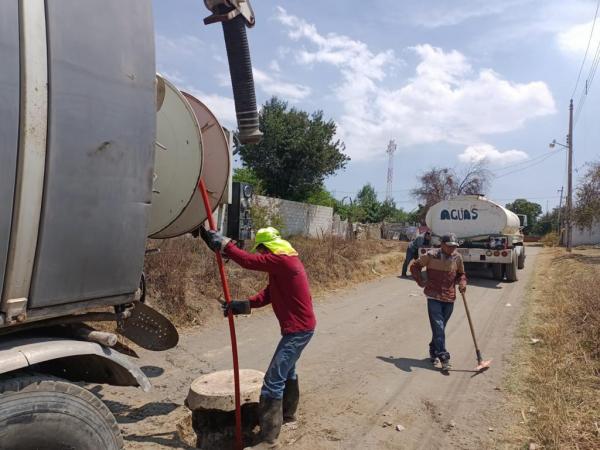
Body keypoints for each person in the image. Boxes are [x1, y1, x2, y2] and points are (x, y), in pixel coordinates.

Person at [200, 226, 316, 449]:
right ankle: (287, 415)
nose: (262, 255)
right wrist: (242, 305)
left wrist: (225, 244)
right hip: (300, 328)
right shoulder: (283, 264)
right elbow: (268, 295)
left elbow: (248, 262)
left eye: (262, 250)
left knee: (273, 381)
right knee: (288, 370)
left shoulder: (283, 260)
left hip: (298, 330)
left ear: (266, 247)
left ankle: (269, 439)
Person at [410, 233, 467, 371]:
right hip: (433, 296)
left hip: (449, 297)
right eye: (449, 246)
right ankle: (444, 357)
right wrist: (421, 281)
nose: (452, 249)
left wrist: (462, 282)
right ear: (442, 245)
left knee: (440, 328)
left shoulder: (457, 257)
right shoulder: (431, 255)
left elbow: (461, 274)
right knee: (439, 326)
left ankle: (433, 348)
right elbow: (414, 266)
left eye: (454, 246)